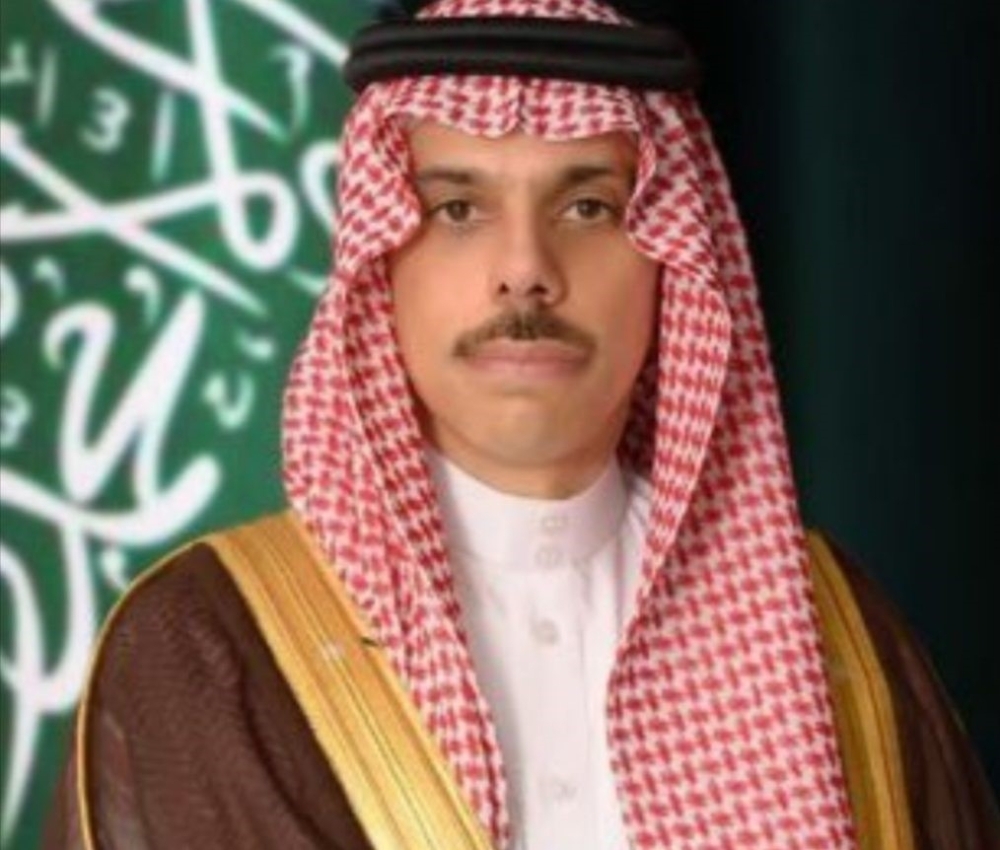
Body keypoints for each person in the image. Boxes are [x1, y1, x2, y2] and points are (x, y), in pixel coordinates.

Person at [43, 1, 999, 848]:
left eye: (587, 205)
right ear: (382, 263)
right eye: (458, 208)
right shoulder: (204, 650)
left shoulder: (839, 642)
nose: (525, 271)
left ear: (670, 262)